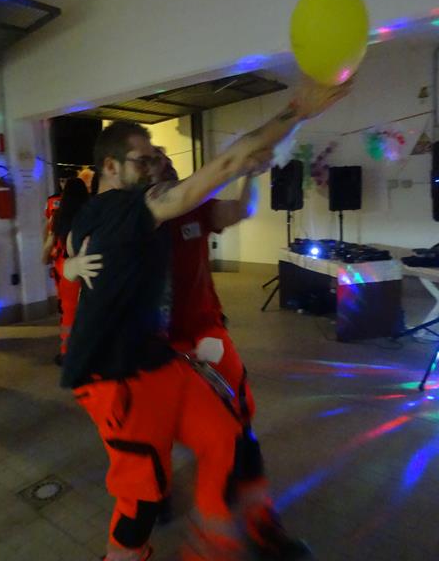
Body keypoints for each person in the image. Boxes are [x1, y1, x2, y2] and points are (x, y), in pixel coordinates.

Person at [62, 76, 351, 561]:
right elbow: (227, 162)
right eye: (146, 159)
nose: (157, 165)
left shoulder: (144, 210)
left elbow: (231, 197)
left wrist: (71, 260)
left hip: (172, 353)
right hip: (123, 370)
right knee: (142, 492)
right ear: (111, 167)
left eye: (158, 158)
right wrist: (296, 111)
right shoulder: (130, 209)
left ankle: (231, 532)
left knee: (229, 432)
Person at [42, 178, 89, 365]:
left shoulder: (58, 216)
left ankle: (67, 352)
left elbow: (49, 242)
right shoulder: (91, 213)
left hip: (65, 268)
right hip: (87, 265)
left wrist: (44, 257)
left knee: (68, 311)